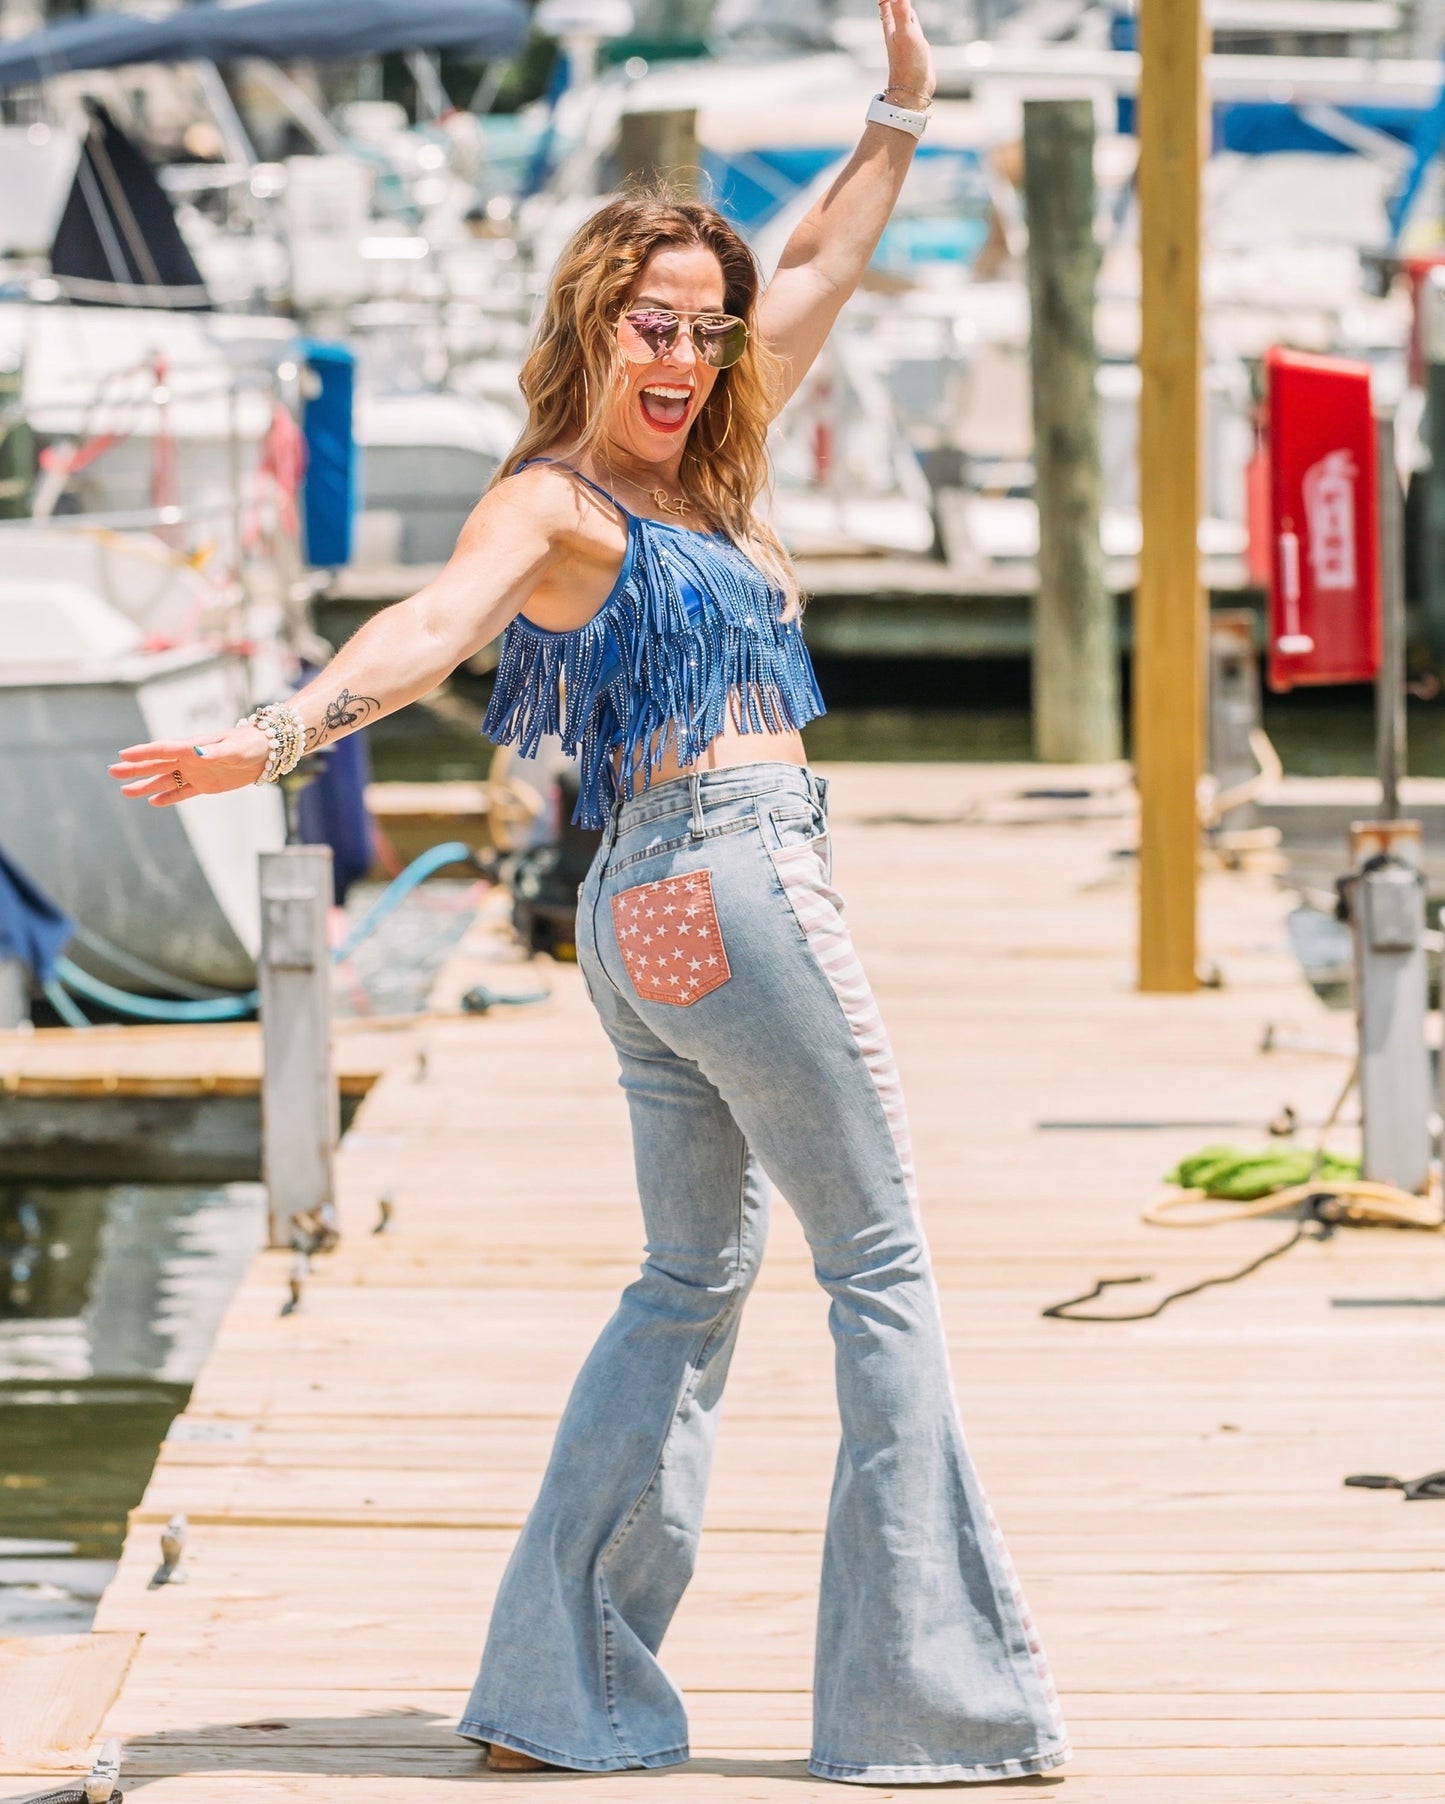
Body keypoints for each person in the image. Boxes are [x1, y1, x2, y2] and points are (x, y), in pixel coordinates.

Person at [108, 2, 1069, 1783]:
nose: (690, 356)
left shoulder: (701, 463)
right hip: (731, 875)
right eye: (655, 327)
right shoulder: (557, 501)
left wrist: (899, 112)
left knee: (689, 1276)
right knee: (878, 1262)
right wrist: (274, 732)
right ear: (591, 324)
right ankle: (925, 1704)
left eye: (705, 333)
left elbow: (825, 269)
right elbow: (432, 626)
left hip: (644, 917)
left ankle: (566, 1699)